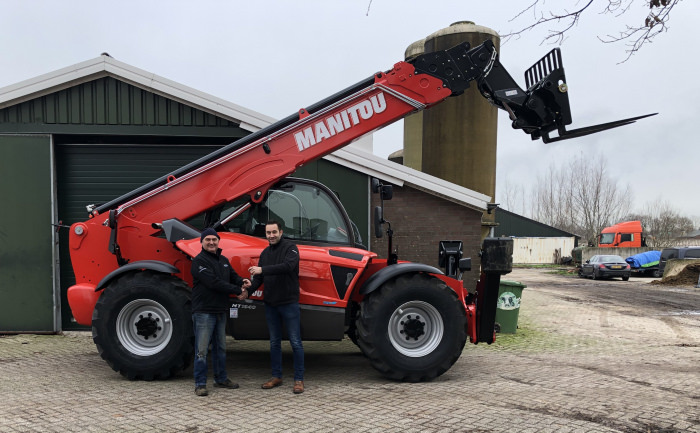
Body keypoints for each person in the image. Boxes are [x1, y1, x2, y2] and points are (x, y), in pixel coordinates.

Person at [191, 227, 251, 397]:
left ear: (218, 241)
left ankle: (221, 378)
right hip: (203, 311)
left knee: (221, 347)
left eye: (214, 239)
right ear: (201, 242)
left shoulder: (223, 260)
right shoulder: (199, 261)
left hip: (220, 310)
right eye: (207, 240)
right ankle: (200, 383)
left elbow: (232, 276)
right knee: (202, 350)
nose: (211, 242)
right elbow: (213, 283)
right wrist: (237, 290)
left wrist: (243, 282)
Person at [248, 220, 305, 394]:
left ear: (281, 232)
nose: (271, 236)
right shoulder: (265, 253)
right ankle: (276, 376)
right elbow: (258, 279)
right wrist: (246, 292)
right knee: (274, 343)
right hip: (271, 304)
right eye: (268, 233)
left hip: (289, 303)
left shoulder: (291, 248)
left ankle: (299, 380)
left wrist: (262, 270)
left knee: (296, 342)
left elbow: (287, 267)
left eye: (274, 232)